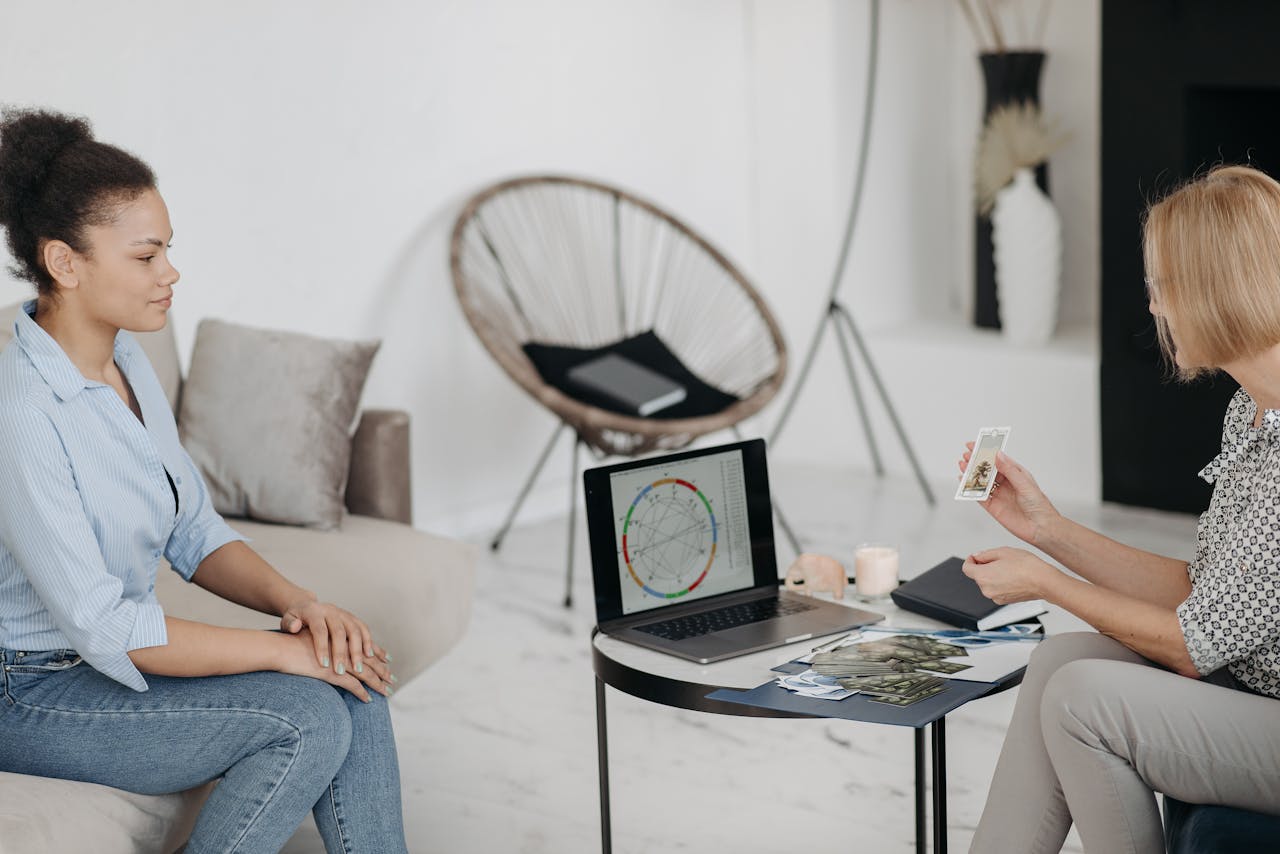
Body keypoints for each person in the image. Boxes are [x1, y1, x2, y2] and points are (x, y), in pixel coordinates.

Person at [0, 109, 407, 853]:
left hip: (101, 665)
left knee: (352, 672)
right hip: (28, 691)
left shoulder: (127, 367)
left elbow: (194, 531)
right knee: (305, 714)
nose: (171, 274)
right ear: (65, 263)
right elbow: (104, 628)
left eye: (169, 253)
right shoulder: (21, 412)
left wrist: (303, 609)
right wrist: (281, 652)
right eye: (146, 256)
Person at [961, 164, 1280, 853]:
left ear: (1216, 287)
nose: (1155, 307)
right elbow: (1204, 594)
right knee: (1058, 662)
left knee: (1083, 700)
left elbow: (1196, 647)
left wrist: (1048, 583)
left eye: (1162, 286)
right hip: (1256, 685)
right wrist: (1047, 530)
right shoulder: (1250, 411)